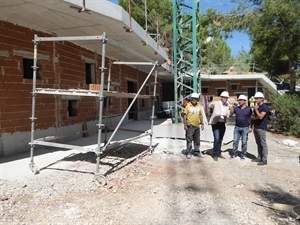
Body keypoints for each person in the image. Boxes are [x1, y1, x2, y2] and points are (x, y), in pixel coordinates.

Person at [208, 91, 231, 161]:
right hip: (215, 123)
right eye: (225, 98)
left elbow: (230, 112)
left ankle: (219, 152)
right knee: (217, 138)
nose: (226, 99)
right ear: (221, 98)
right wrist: (211, 104)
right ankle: (215, 154)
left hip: (222, 123)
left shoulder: (227, 105)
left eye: (227, 98)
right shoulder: (217, 103)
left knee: (220, 139)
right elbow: (210, 105)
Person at [230, 94, 252, 160]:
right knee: (235, 141)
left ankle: (243, 154)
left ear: (245, 101)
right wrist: (232, 107)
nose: (240, 101)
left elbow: (251, 118)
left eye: (242, 100)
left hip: (245, 128)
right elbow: (231, 113)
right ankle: (234, 153)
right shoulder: (237, 108)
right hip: (237, 127)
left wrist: (250, 127)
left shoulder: (249, 109)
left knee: (244, 142)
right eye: (239, 100)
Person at [183, 93, 205, 158]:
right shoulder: (188, 106)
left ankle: (196, 151)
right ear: (191, 99)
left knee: (197, 140)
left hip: (197, 126)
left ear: (197, 99)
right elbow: (185, 116)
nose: (194, 100)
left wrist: (202, 124)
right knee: (189, 139)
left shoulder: (199, 106)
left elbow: (200, 115)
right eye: (193, 98)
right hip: (190, 126)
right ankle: (189, 152)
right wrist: (185, 125)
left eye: (195, 99)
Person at [251, 91, 270, 166]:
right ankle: (259, 157)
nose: (255, 100)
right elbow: (253, 117)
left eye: (257, 98)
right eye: (255, 98)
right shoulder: (257, 106)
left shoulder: (264, 107)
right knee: (258, 143)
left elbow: (260, 117)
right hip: (256, 127)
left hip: (261, 127)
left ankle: (264, 159)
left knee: (263, 143)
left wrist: (255, 110)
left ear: (261, 99)